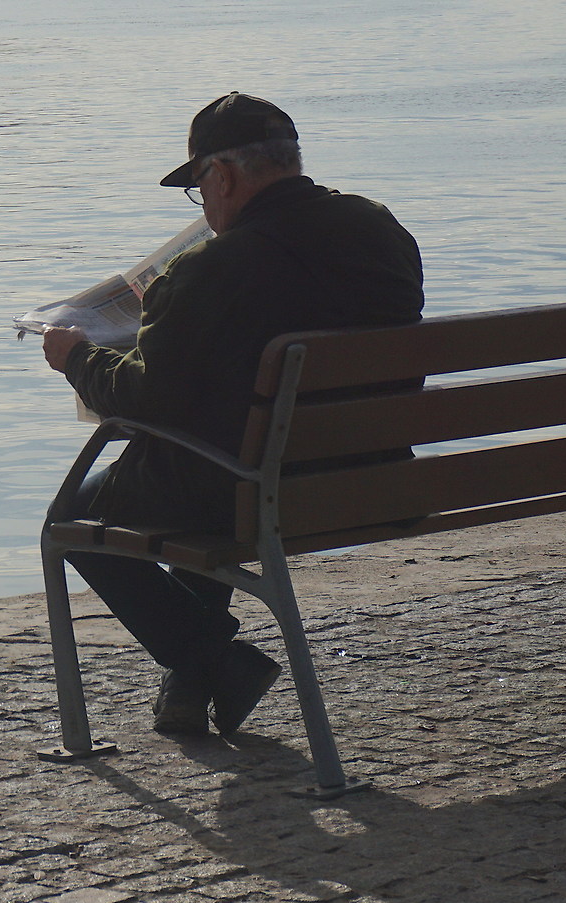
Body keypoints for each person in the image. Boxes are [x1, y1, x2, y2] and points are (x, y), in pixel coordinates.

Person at [40, 93, 423, 736]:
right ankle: (195, 675)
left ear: (222, 175)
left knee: (73, 515)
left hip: (255, 490)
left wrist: (77, 356)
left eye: (199, 189)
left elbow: (143, 400)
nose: (206, 207)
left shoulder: (214, 268)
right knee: (206, 457)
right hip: (372, 474)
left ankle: (213, 659)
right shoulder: (379, 230)